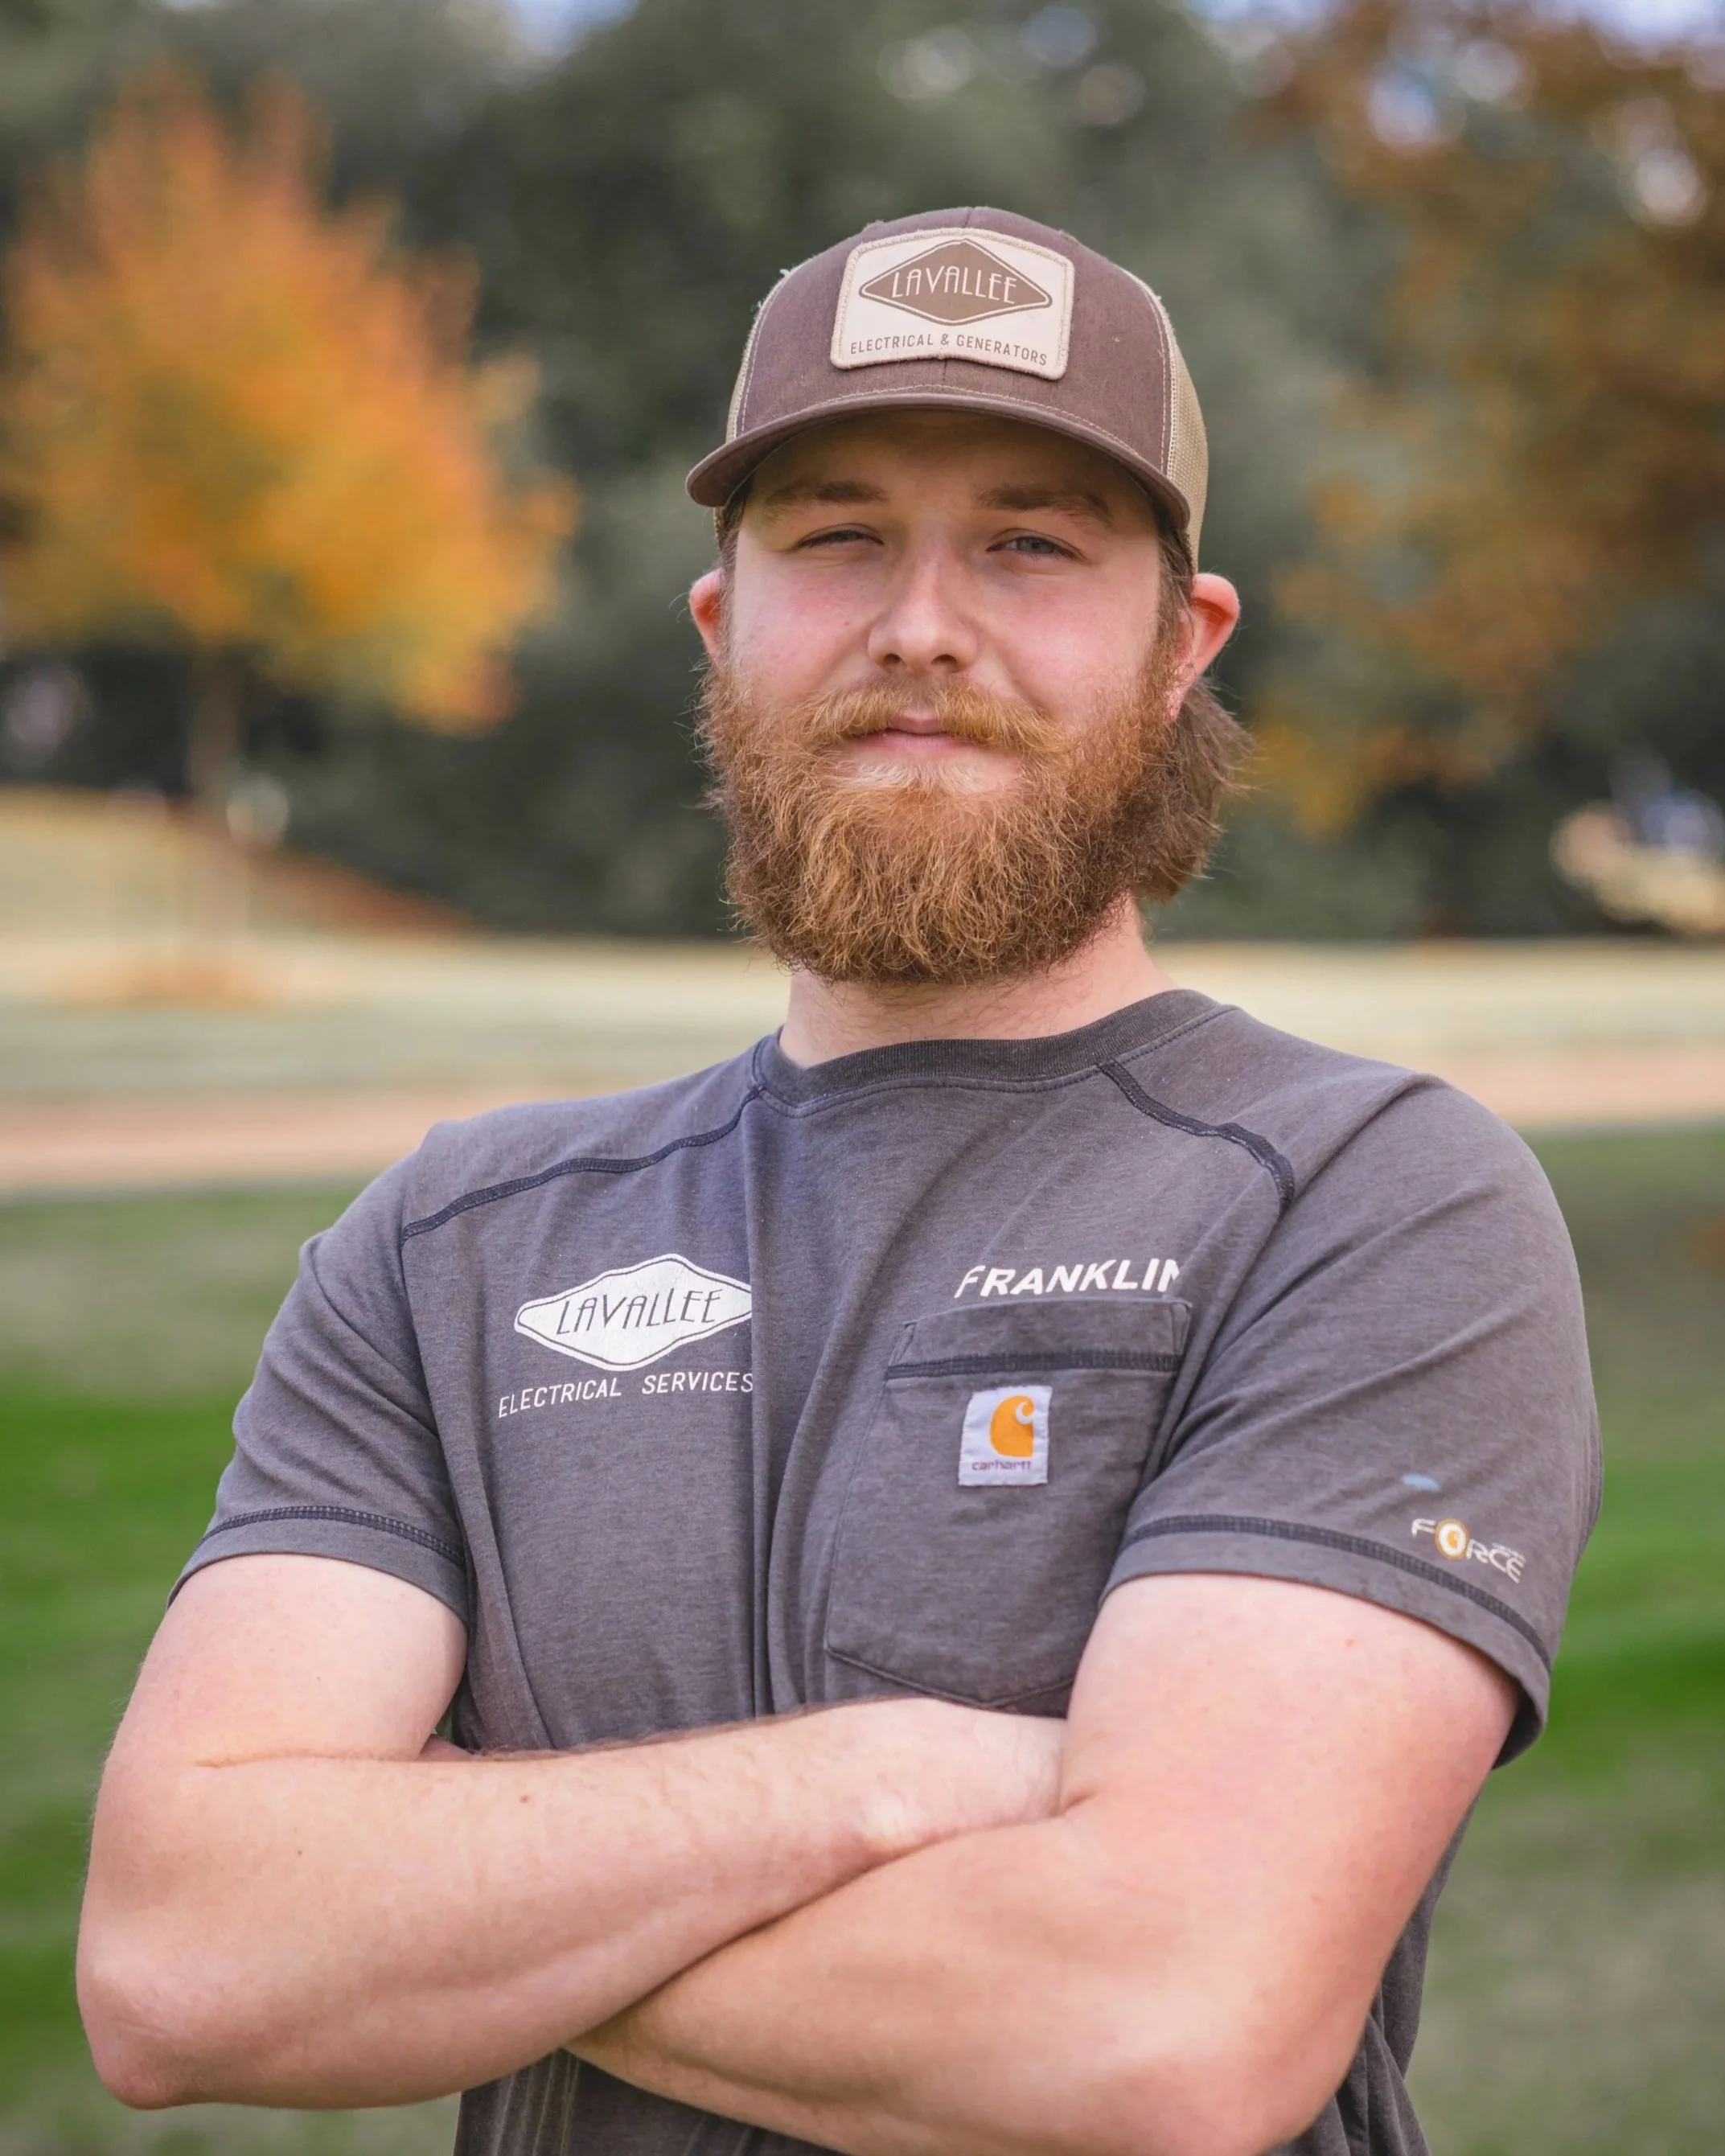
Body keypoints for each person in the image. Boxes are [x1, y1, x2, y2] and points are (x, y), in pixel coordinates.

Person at [78, 208, 1599, 2156]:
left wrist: (441, 1899)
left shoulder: (1364, 1200)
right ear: (723, 627)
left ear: (1177, 647)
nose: (921, 625)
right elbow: (179, 1954)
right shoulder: (449, 1243)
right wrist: (885, 1781)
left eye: (1034, 542)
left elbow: (1160, 2027)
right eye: (836, 535)